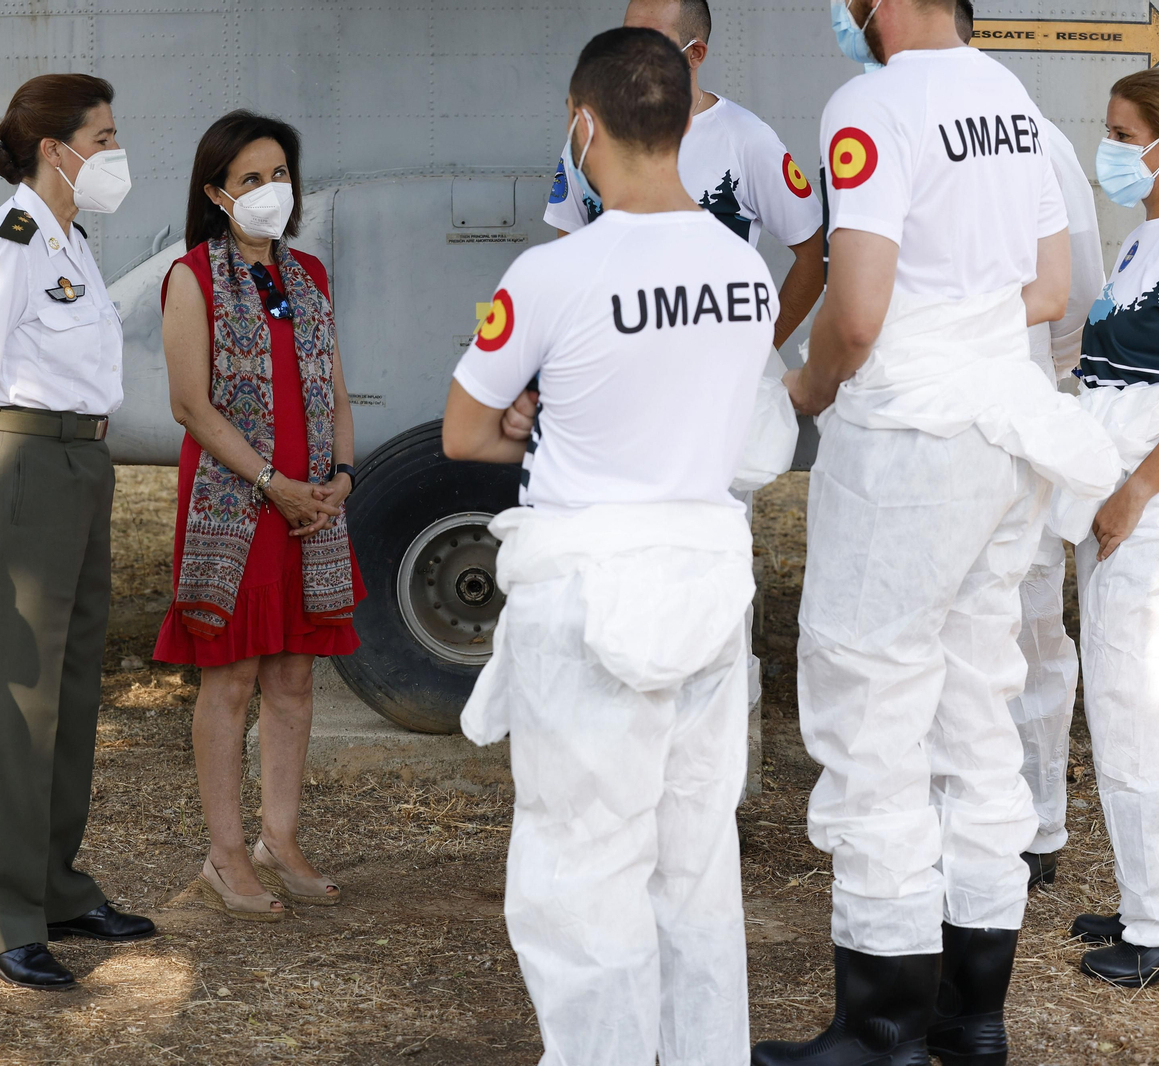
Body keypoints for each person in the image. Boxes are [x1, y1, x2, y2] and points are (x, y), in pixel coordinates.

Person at [753, 3, 1120, 1064]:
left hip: (909, 436)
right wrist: (962, 322)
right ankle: (971, 1013)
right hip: (1003, 426)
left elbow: (856, 313)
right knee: (974, 707)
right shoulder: (1011, 102)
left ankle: (878, 1025)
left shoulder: (871, 103)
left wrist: (806, 390)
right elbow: (1048, 289)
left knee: (870, 710)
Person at [445, 28, 777, 1065]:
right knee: (693, 864)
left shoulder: (554, 272)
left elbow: (463, 430)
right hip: (706, 582)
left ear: (582, 125)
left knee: (581, 872)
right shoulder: (745, 272)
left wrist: (530, 418)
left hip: (589, 592)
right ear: (686, 120)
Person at [0, 73, 154, 990]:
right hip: (15, 465)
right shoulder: (7, 244)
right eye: (102, 138)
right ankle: (2, 917)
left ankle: (56, 885)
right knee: (12, 701)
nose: (112, 153)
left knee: (69, 687)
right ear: (55, 151)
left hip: (77, 465)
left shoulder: (68, 241)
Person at [151, 110, 361, 921]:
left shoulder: (307, 274)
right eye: (251, 180)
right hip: (238, 504)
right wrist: (272, 479)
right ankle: (226, 852)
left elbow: (336, 392)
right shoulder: (192, 278)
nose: (271, 192)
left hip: (309, 504)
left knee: (295, 675)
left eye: (280, 176)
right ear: (215, 193)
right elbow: (189, 407)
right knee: (231, 677)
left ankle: (281, 836)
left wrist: (339, 476)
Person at [1058, 67, 1159, 987]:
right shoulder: (1146, 238)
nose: (1112, 149)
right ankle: (1153, 897)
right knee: (1127, 709)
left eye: (1125, 134)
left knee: (1148, 710)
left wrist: (1135, 493)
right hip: (1123, 506)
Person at [956, 0, 1106, 891]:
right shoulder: (891, 119)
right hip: (950, 416)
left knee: (1027, 616)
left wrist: (1032, 383)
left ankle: (1037, 824)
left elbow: (1074, 290)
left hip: (1007, 412)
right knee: (963, 622)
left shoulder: (1032, 135)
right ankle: (975, 811)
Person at [545, 0, 825, 353]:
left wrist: (760, 350)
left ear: (695, 54)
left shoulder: (746, 139)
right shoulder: (587, 138)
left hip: (714, 384)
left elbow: (815, 254)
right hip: (615, 375)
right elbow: (567, 257)